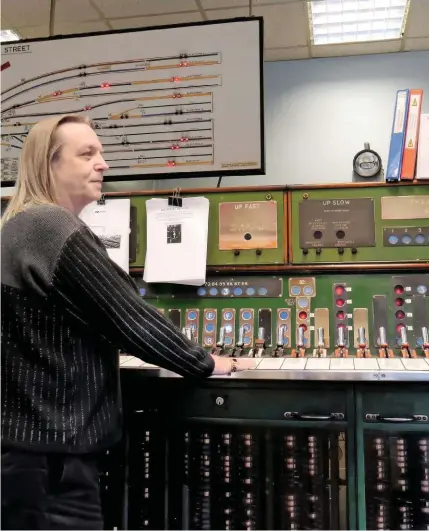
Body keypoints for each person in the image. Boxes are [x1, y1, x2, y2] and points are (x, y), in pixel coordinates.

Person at [0, 114, 256, 529]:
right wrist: (205, 362)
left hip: (26, 452)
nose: (103, 164)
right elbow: (129, 317)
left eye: (101, 153)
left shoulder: (16, 225)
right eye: (87, 154)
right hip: (53, 461)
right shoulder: (51, 226)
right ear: (50, 164)